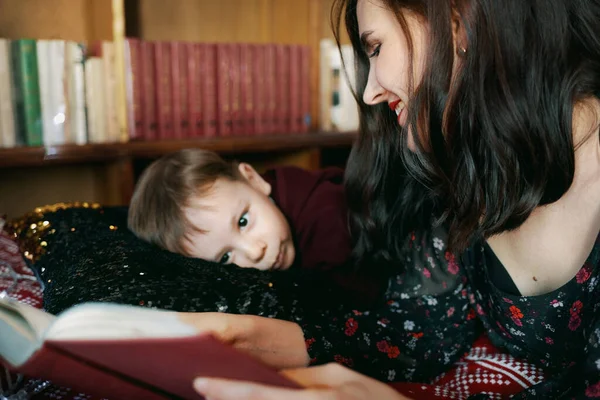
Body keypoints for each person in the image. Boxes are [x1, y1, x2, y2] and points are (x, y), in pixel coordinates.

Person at [180, 0, 600, 398]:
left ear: (458, 22)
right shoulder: (463, 165)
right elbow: (419, 330)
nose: (369, 93)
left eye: (376, 47)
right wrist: (242, 335)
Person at [128, 148, 382, 302]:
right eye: (226, 257)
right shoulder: (251, 200)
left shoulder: (329, 219)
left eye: (243, 221)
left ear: (253, 179)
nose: (254, 252)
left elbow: (354, 304)